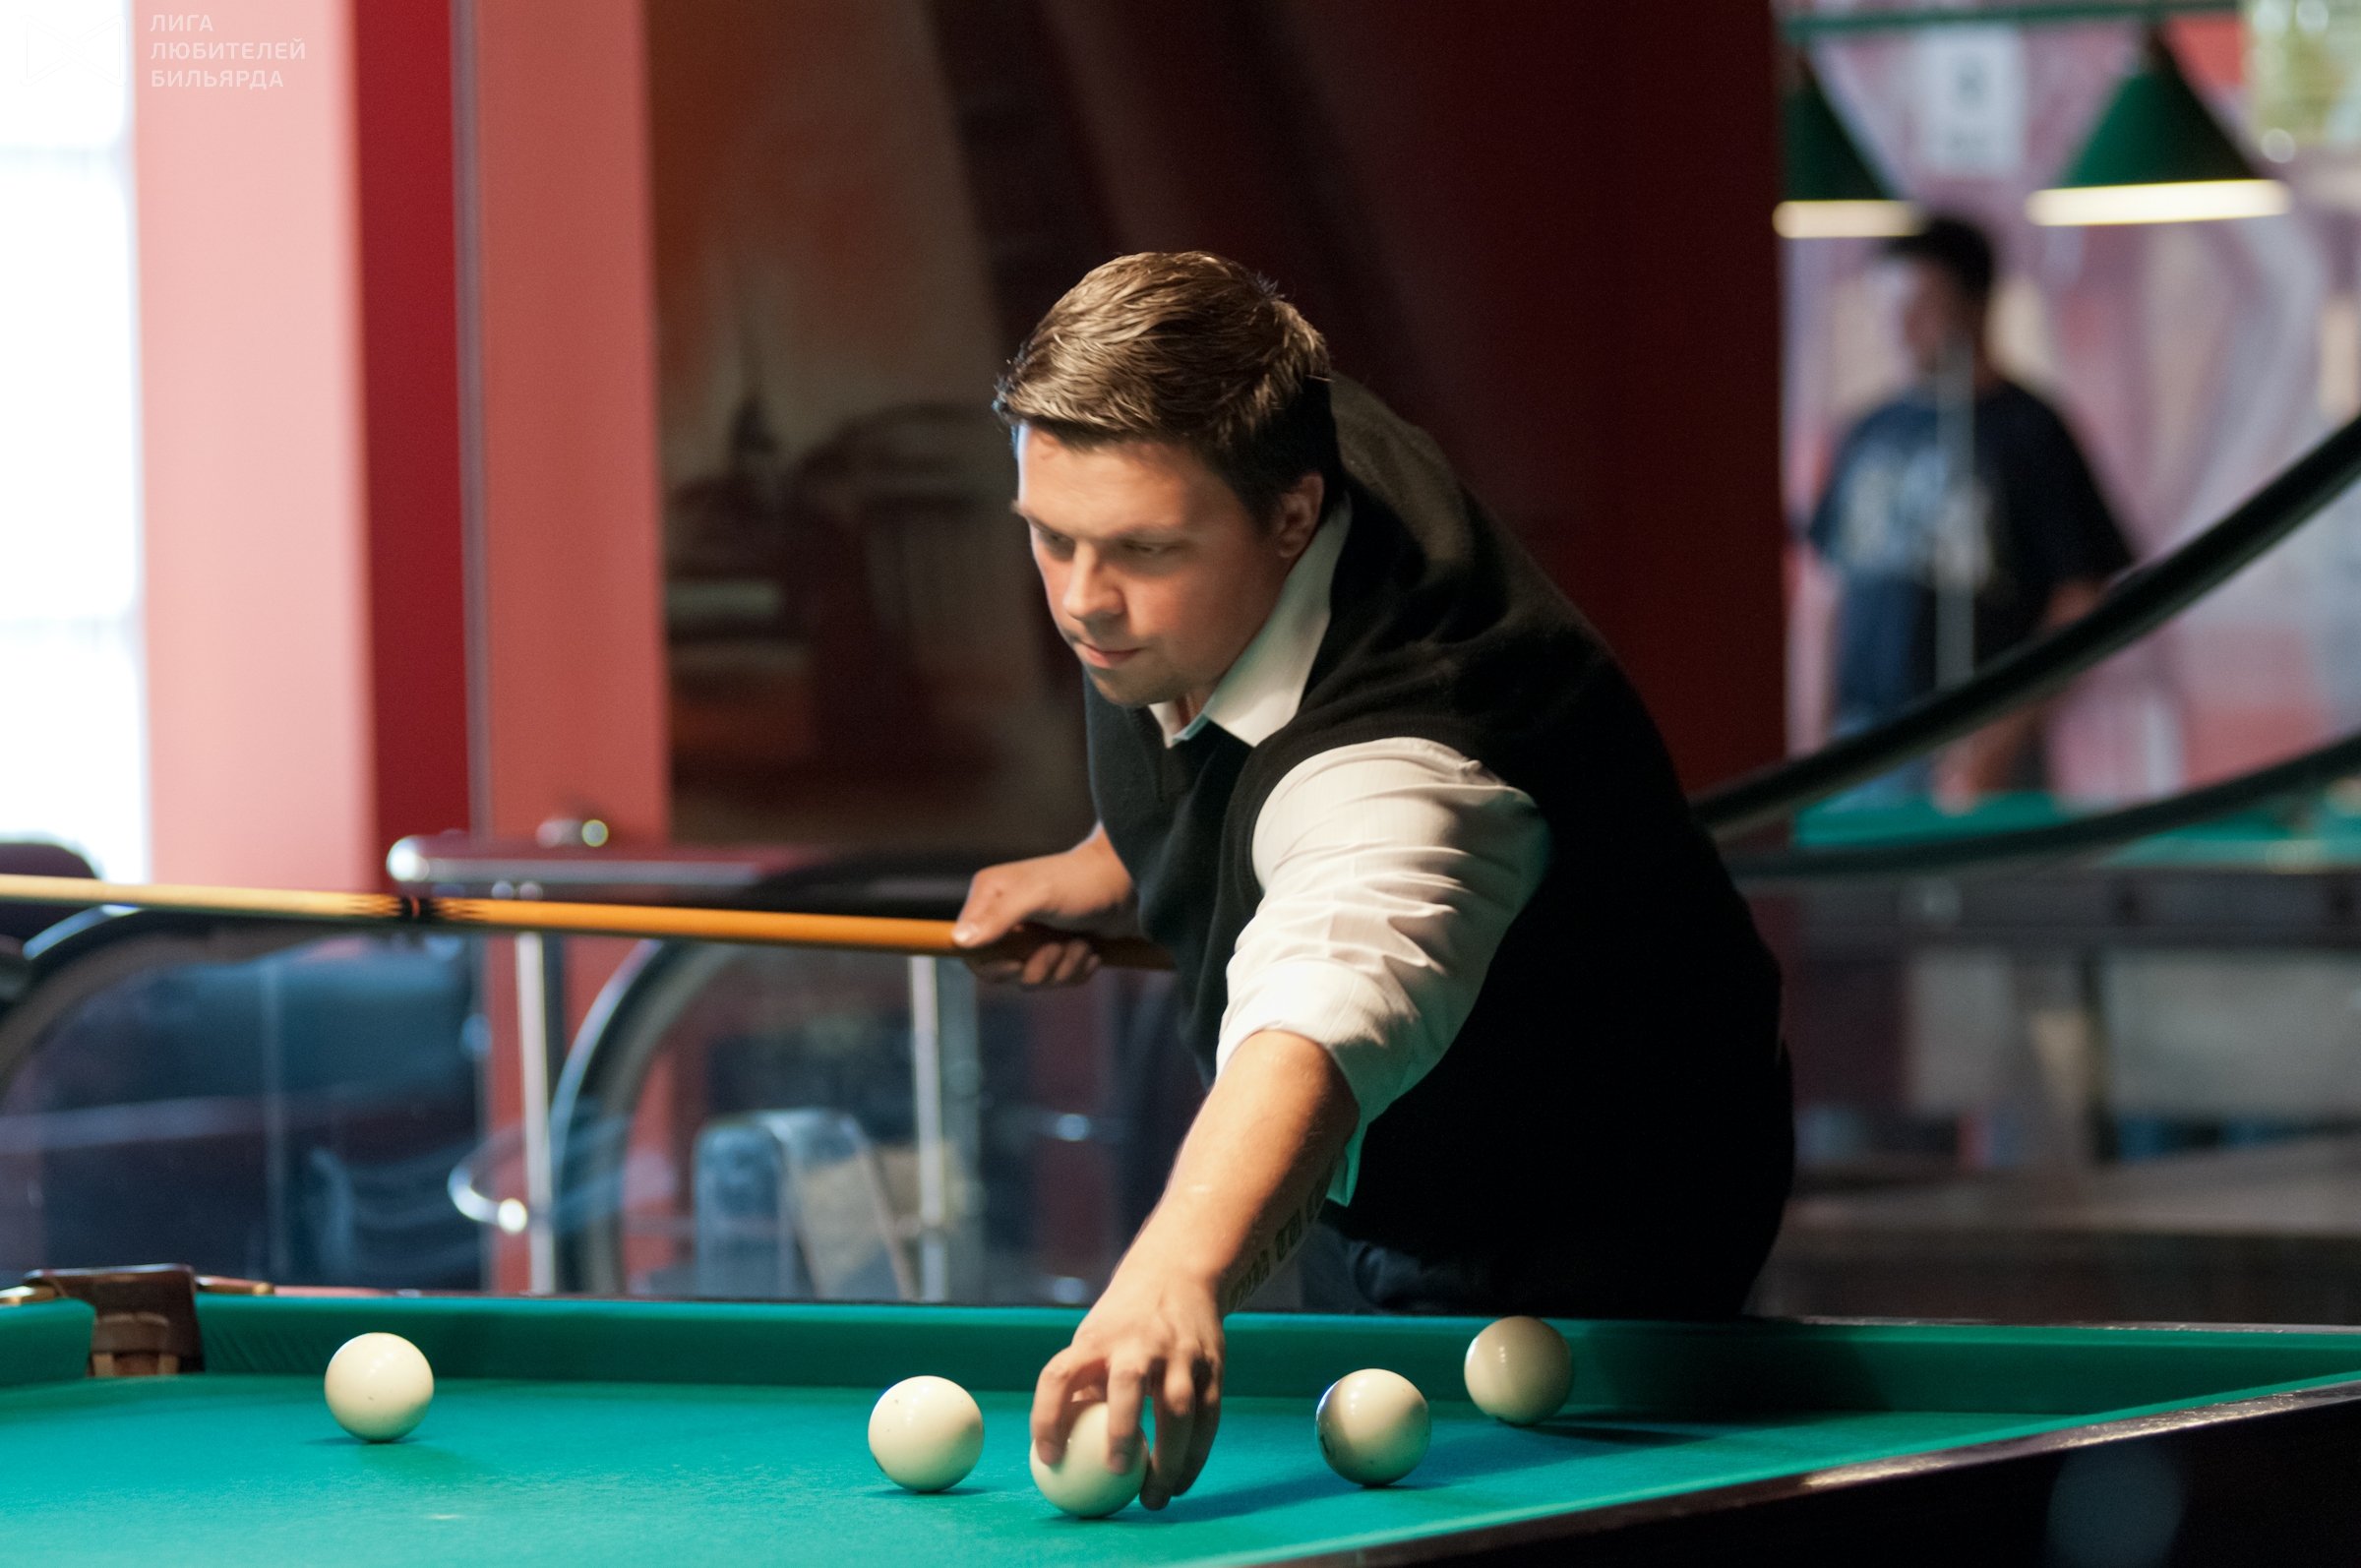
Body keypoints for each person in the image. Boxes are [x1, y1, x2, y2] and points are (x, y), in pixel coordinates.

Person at [951, 253, 1790, 1510]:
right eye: (1049, 536)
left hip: (1590, 1198)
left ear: (1294, 518)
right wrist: (1118, 858)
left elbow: (1323, 1006)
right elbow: (1215, 733)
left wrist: (1174, 1270)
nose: (1082, 601)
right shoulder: (1233, 426)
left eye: (1139, 549)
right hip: (1389, 1179)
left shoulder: (1415, 764)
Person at [1807, 216, 2133, 805]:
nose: (1900, 328)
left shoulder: (2031, 432)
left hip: (1977, 750)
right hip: (1861, 744)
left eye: (1921, 308)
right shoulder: (1868, 431)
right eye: (1887, 309)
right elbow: (1825, 594)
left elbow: (2080, 598)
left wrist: (1999, 737)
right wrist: (1811, 741)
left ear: (1976, 307)